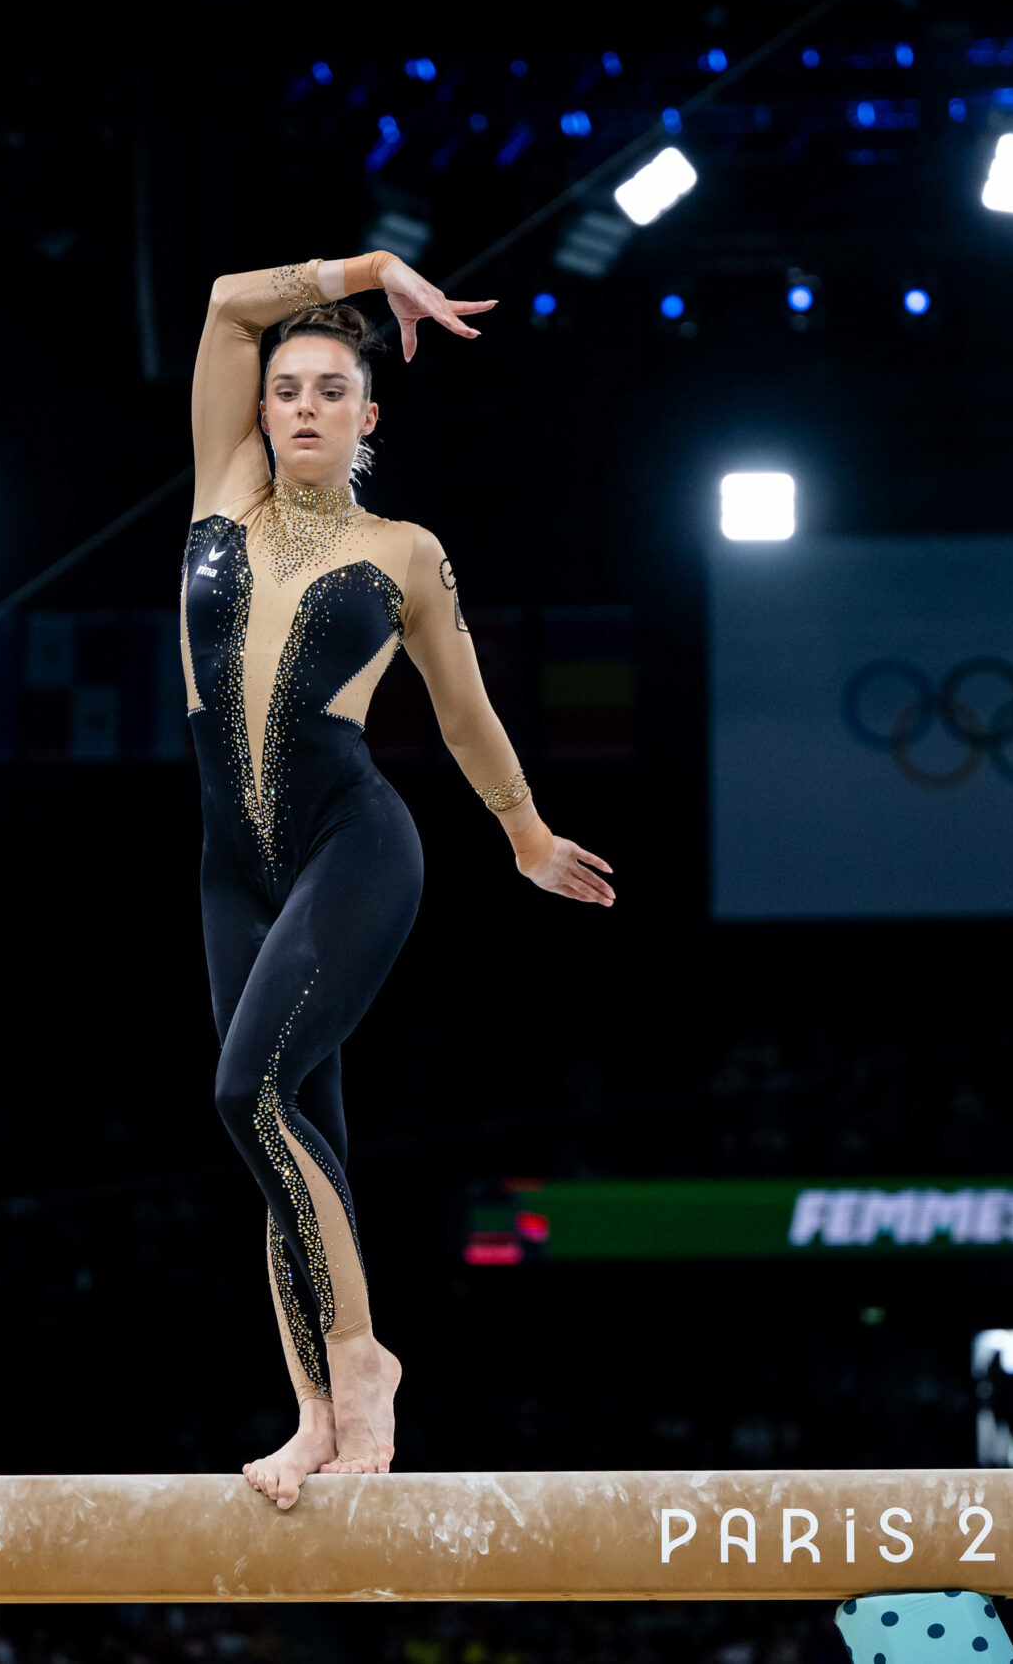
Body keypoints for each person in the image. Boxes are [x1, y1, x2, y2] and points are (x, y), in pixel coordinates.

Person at [183, 250, 615, 1509]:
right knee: (285, 1135)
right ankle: (315, 1411)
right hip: (232, 869)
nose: (305, 406)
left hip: (351, 844)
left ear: (370, 417)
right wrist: (371, 271)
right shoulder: (219, 495)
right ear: (258, 411)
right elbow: (224, 303)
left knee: (244, 1090)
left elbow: (468, 717)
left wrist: (525, 836)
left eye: (332, 390)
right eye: (287, 390)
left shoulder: (405, 551)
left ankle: (362, 1358)